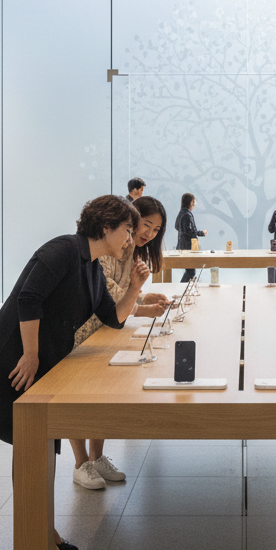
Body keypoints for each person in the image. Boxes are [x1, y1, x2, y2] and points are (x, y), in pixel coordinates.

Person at [0, 195, 150, 550]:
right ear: (105, 227)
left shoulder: (91, 266)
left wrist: (135, 288)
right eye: (127, 230)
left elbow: (112, 318)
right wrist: (30, 355)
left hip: (41, 361)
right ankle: (36, 539)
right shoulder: (63, 249)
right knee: (30, 447)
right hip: (17, 359)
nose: (130, 238)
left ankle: (46, 532)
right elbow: (29, 299)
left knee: (40, 447)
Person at [70, 196, 171, 488]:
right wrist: (142, 304)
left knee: (99, 394)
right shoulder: (108, 246)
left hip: (108, 325)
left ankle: (96, 457)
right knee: (76, 396)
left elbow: (123, 291)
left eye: (156, 229)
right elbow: (108, 289)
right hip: (84, 327)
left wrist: (143, 297)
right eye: (145, 225)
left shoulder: (133, 250)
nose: (149, 233)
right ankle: (81, 463)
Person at [174, 192, 206, 283]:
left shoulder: (182, 213)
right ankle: (181, 288)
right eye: (194, 202)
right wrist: (201, 233)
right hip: (188, 247)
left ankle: (182, 287)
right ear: (191, 202)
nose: (194, 204)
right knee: (191, 271)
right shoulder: (187, 214)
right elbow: (189, 231)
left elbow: (176, 226)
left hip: (182, 246)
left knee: (190, 271)